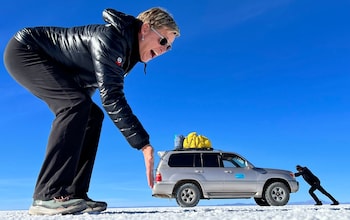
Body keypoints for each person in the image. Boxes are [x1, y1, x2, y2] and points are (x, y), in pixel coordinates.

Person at [3, 7, 180, 215]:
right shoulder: (111, 40)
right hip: (26, 50)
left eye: (168, 48)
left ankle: (73, 194)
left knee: (91, 115)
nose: (162, 50)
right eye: (162, 41)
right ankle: (47, 195)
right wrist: (143, 144)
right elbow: (111, 97)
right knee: (75, 106)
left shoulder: (126, 54)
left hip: (59, 68)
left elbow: (92, 89)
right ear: (146, 29)